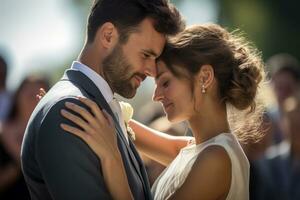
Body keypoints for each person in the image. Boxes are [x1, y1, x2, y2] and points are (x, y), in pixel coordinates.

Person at [59, 24, 266, 199]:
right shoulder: (197, 150)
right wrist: (67, 102)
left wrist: (111, 158)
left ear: (204, 77)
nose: (156, 96)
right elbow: (122, 125)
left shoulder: (216, 158)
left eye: (165, 82)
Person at [21, 0, 184, 199]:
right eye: (145, 55)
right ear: (108, 36)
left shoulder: (97, 110)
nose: (151, 71)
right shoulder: (68, 111)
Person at [0, 75, 49, 199]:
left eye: (37, 91)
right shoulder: (2, 131)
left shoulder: (53, 131)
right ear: (17, 96)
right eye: (28, 90)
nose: (32, 95)